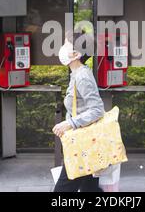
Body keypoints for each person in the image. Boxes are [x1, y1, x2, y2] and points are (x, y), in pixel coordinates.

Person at [52, 33, 105, 192]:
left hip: (82, 147)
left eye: (67, 44)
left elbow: (97, 110)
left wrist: (69, 123)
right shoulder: (77, 74)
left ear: (76, 54)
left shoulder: (82, 76)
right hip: (82, 143)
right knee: (90, 189)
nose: (62, 47)